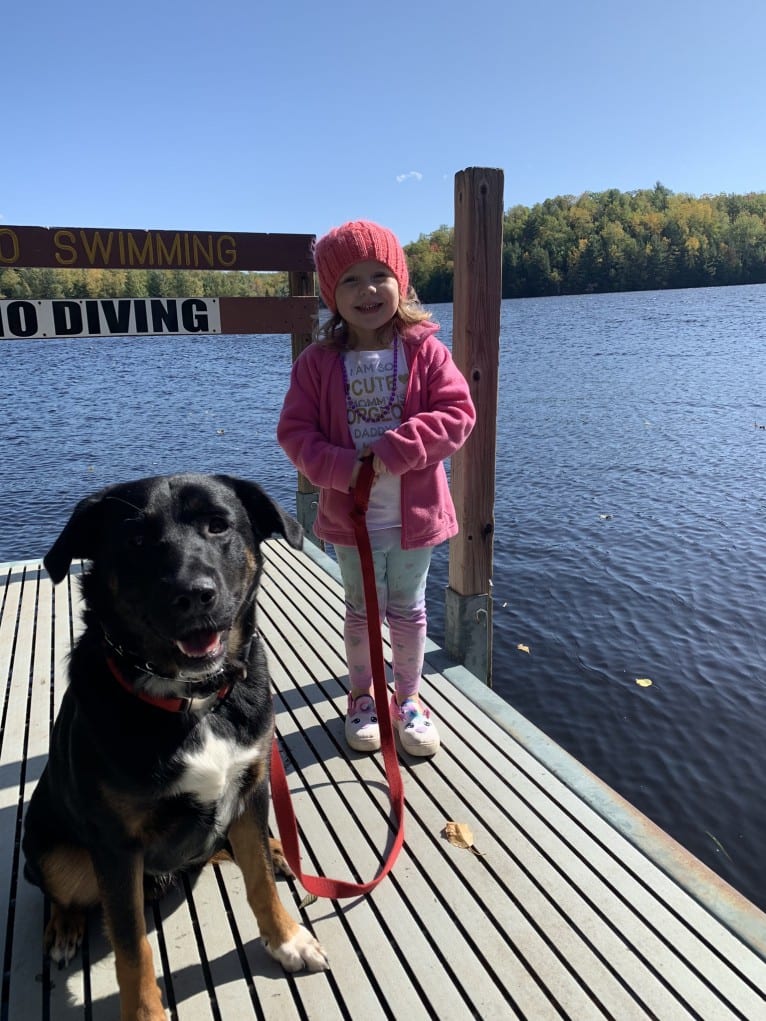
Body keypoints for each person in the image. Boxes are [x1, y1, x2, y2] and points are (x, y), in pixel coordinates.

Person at [277, 220, 475, 756]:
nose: (367, 290)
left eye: (380, 275)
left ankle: (409, 699)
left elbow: (458, 414)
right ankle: (362, 698)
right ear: (330, 294)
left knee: (408, 609)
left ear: (401, 282)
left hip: (415, 519)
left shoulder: (427, 352)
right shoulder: (317, 364)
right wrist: (343, 469)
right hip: (351, 520)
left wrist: (395, 449)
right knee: (362, 612)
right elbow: (295, 435)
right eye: (350, 280)